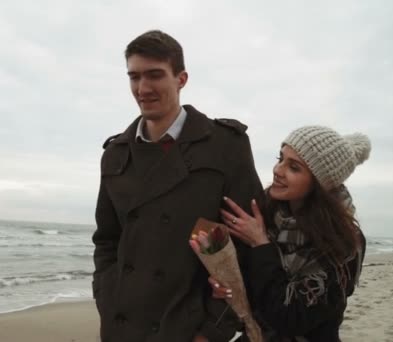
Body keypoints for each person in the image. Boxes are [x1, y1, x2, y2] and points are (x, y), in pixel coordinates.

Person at [92, 30, 264, 342]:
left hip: (186, 327)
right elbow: (106, 240)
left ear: (181, 79)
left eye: (155, 75)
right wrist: (106, 294)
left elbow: (244, 248)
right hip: (121, 325)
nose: (142, 88)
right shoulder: (115, 153)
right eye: (134, 77)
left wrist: (212, 331)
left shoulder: (226, 145)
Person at [205, 126, 370, 342]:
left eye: (294, 167)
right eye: (280, 158)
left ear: (320, 183)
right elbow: (248, 296)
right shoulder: (263, 215)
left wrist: (261, 245)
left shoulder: (344, 242)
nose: (278, 170)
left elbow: (289, 318)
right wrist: (225, 288)